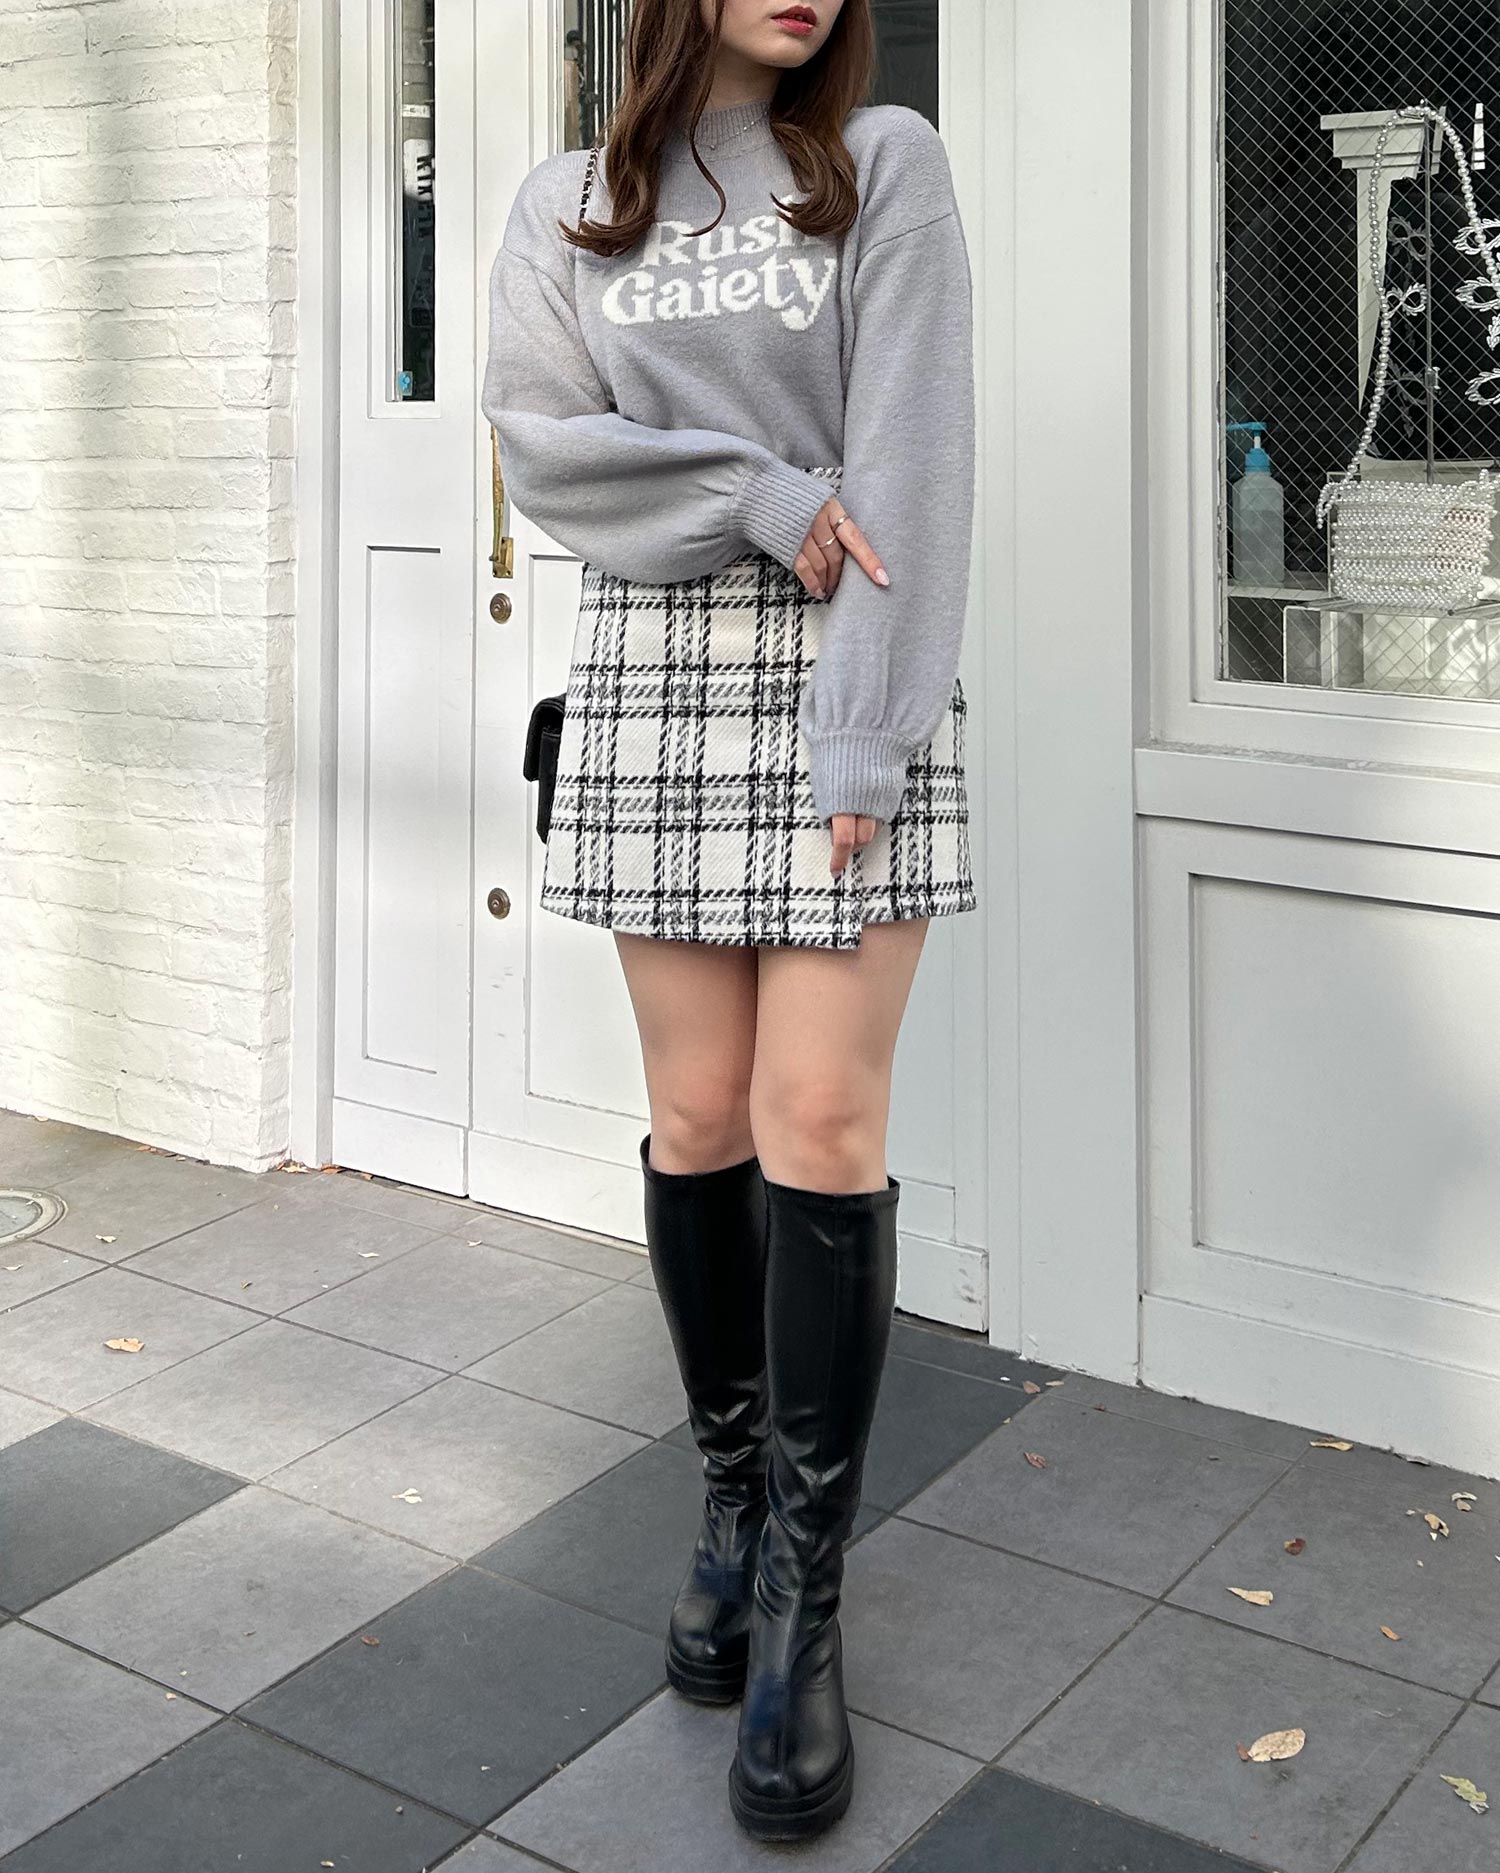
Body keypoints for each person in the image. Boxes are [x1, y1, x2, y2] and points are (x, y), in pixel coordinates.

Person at [482, 0, 976, 1844]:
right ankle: (732, 1495)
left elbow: (911, 464)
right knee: (698, 1117)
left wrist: (869, 727)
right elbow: (547, 454)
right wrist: (759, 491)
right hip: (655, 671)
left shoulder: (885, 167)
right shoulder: (569, 206)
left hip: (849, 662)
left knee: (818, 1119)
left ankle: (802, 1598)